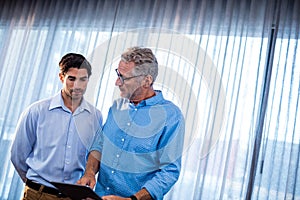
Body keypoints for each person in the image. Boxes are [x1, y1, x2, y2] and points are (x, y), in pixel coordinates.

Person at [77, 47, 185, 200]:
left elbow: (169, 172)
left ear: (147, 80)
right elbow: (99, 146)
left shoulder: (171, 116)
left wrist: (132, 199)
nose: (117, 82)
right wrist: (89, 172)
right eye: (117, 74)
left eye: (124, 77)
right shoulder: (116, 108)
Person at [11, 53, 102, 200]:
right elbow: (18, 155)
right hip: (37, 194)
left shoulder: (95, 116)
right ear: (61, 77)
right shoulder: (36, 111)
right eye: (71, 79)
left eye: (83, 79)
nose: (77, 85)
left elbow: (95, 151)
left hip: (73, 197)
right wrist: (36, 185)